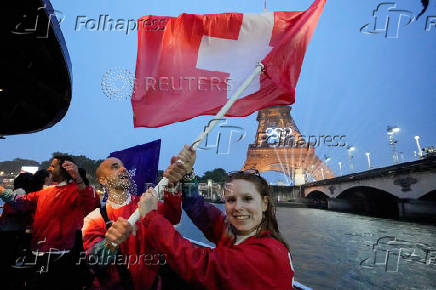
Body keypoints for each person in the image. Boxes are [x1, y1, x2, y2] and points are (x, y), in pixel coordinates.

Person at [108, 165, 295, 289]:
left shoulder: (268, 255)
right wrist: (188, 175)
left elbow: (198, 263)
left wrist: (150, 216)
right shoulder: (241, 233)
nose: (238, 207)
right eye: (230, 200)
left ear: (264, 203)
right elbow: (199, 210)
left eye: (247, 199)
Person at [81, 145, 195, 289]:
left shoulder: (146, 203)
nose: (123, 169)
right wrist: (109, 244)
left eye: (124, 167)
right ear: (102, 180)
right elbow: (93, 261)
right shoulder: (94, 218)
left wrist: (173, 184)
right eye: (115, 167)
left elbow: (173, 217)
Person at [0, 155, 99, 289]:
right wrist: (1, 191)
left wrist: (78, 177)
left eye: (53, 166)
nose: (49, 169)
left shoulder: (76, 190)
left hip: (63, 256)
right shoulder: (44, 192)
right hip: (37, 253)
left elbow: (91, 204)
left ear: (65, 169)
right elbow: (22, 202)